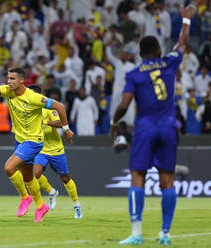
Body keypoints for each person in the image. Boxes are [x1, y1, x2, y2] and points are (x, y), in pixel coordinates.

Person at [110, 2, 199, 245]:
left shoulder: (135, 73)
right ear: (159, 50)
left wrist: (113, 121)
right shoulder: (170, 62)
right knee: (167, 181)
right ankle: (165, 234)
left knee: (137, 176)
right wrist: (186, 19)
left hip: (146, 129)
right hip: (169, 128)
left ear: (140, 54)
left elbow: (124, 104)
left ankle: (137, 233)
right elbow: (182, 43)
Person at [0, 67, 73, 222]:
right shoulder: (8, 91)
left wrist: (65, 128)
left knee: (9, 167)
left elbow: (60, 107)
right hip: (20, 140)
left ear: (22, 80)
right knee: (28, 176)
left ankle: (25, 197)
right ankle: (40, 206)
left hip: (33, 141)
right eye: (8, 78)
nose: (9, 81)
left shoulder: (33, 98)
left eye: (12, 79)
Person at [28, 85, 82, 219]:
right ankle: (51, 192)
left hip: (55, 149)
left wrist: (45, 122)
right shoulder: (29, 110)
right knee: (36, 174)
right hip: (41, 148)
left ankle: (76, 204)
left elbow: (60, 122)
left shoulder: (48, 107)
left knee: (65, 178)